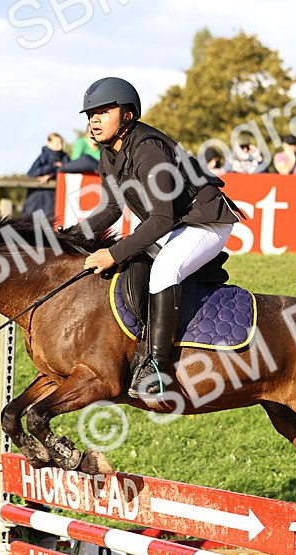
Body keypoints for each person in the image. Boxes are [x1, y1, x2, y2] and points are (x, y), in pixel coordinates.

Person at [65, 76, 240, 400]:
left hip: (206, 222)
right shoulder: (108, 155)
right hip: (176, 224)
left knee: (163, 270)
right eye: (91, 114)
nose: (94, 120)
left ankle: (156, 368)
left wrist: (113, 253)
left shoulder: (148, 148)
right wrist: (70, 237)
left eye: (103, 112)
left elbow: (162, 218)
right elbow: (112, 209)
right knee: (133, 264)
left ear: (128, 115)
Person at [24, 133, 69, 221]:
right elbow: (32, 172)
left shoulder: (64, 157)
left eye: (61, 143)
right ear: (49, 143)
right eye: (57, 143)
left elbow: (68, 169)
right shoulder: (44, 156)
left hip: (54, 195)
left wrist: (51, 175)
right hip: (38, 196)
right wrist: (52, 167)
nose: (59, 146)